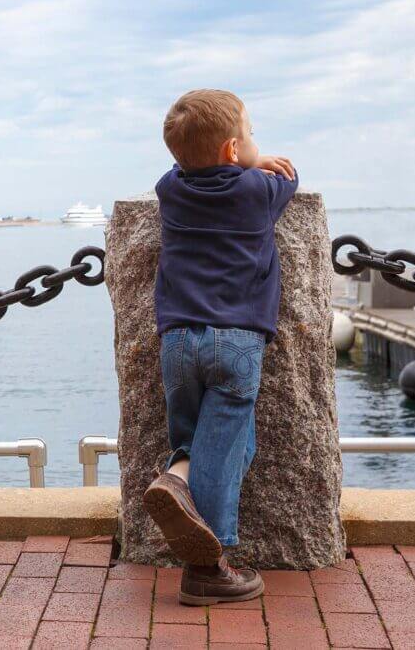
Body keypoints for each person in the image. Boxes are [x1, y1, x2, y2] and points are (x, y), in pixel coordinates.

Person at [142, 89, 298, 606]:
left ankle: (176, 478)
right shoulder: (259, 191)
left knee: (206, 443)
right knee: (224, 447)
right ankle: (208, 569)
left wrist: (233, 153)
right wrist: (260, 161)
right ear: (234, 149)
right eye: (250, 135)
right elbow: (290, 179)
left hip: (179, 339)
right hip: (237, 339)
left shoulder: (170, 188)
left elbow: (186, 168)